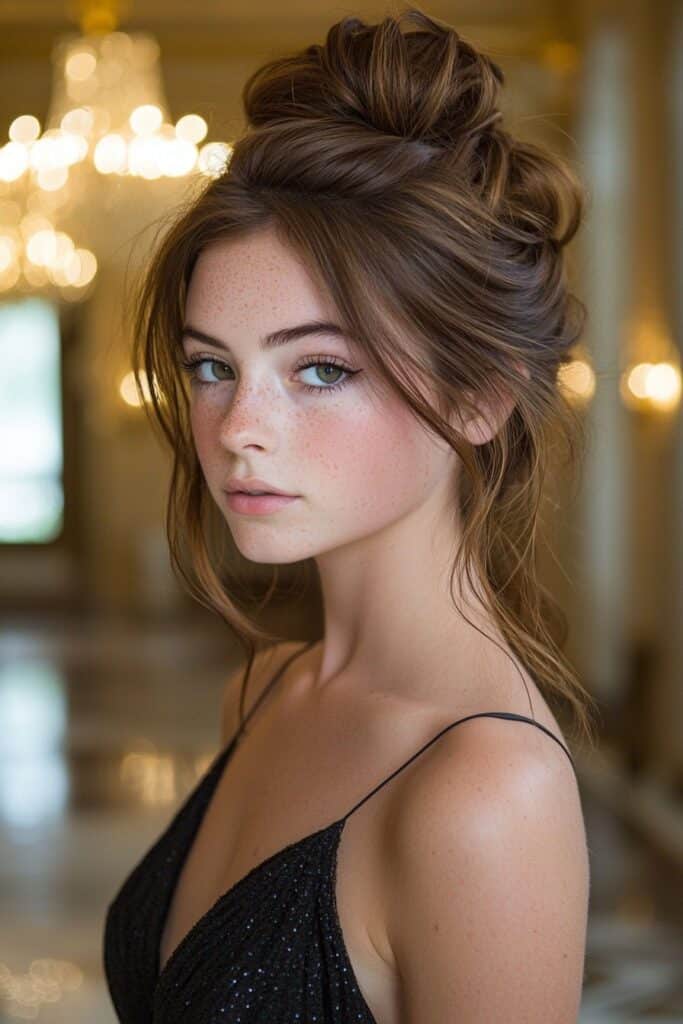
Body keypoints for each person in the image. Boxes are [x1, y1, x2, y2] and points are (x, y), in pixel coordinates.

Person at [104, 8, 597, 1022]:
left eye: (319, 369)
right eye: (212, 366)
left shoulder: (484, 794)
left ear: (479, 397)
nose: (239, 427)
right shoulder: (265, 689)